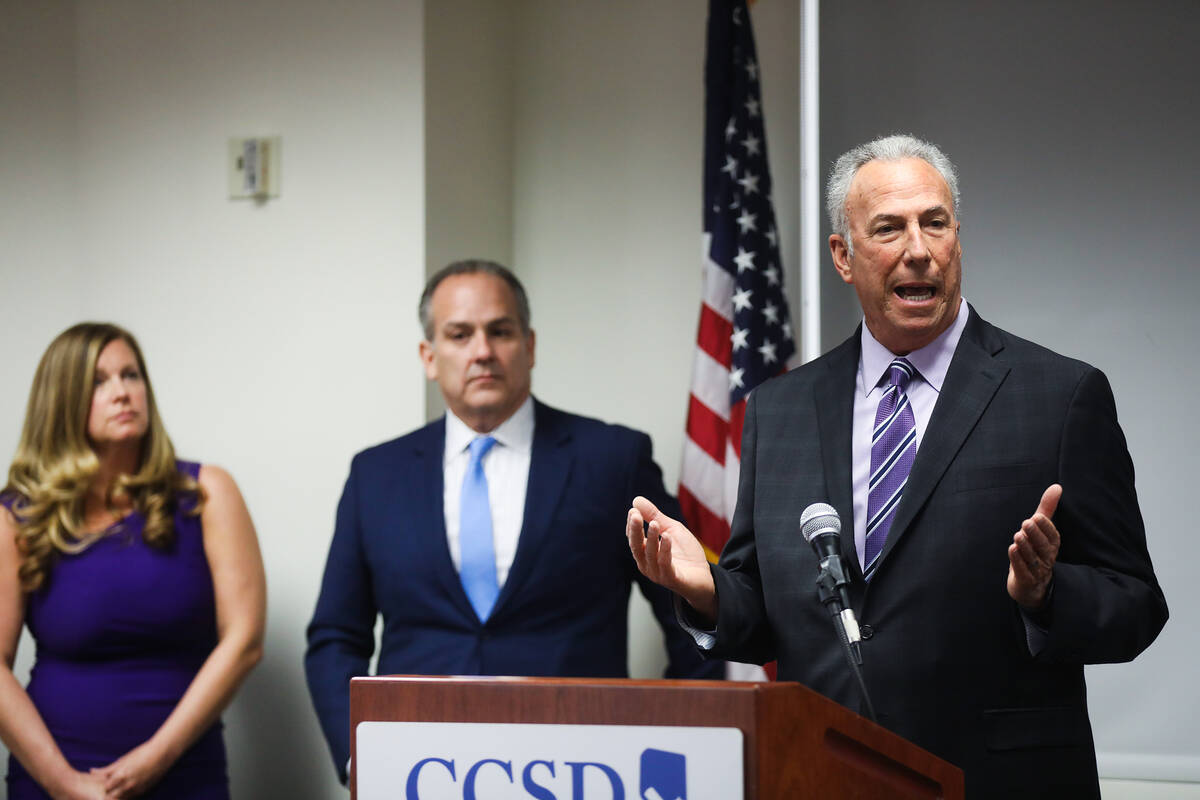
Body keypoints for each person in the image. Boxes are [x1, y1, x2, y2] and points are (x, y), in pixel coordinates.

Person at [627, 135, 1167, 798]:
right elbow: (773, 613)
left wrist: (1045, 597)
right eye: (888, 228)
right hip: (825, 775)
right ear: (843, 256)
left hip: (997, 780)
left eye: (935, 223)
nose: (919, 248)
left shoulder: (1060, 396)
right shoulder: (781, 409)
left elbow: (1136, 606)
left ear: (957, 239)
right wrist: (706, 590)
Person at [305, 259, 721, 784]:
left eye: (499, 331)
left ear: (529, 345)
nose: (482, 351)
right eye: (460, 334)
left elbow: (691, 610)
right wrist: (357, 754)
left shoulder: (612, 460)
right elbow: (335, 638)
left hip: (584, 771)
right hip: (416, 770)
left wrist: (674, 737)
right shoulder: (375, 475)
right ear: (428, 357)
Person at [0, 323, 266, 799]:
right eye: (99, 382)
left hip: (183, 772)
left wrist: (156, 757)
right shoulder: (17, 516)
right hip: (54, 780)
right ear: (61, 400)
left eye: (131, 375)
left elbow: (244, 641)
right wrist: (63, 783)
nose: (123, 393)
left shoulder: (207, 493)